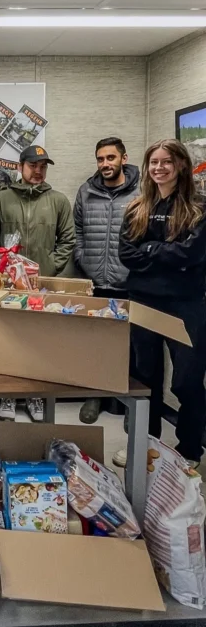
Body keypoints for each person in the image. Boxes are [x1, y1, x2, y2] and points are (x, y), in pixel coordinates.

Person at [117, 139, 206, 469]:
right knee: (143, 378)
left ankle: (189, 449)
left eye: (166, 161)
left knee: (186, 380)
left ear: (181, 164)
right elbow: (126, 254)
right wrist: (165, 253)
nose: (158, 168)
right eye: (153, 162)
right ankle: (144, 444)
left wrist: (150, 251)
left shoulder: (199, 208)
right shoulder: (137, 207)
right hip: (143, 303)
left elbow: (191, 254)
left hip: (186, 305)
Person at [0, 145, 75, 423]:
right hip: (8, 285)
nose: (38, 171)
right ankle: (8, 394)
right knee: (8, 340)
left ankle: (36, 396)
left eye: (43, 166)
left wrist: (47, 268)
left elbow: (68, 241)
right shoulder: (1, 199)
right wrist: (5, 270)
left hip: (41, 285)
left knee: (39, 341)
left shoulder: (58, 201)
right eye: (33, 165)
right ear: (20, 166)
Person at [74, 137, 140, 425]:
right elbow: (76, 229)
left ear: (123, 159)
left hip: (130, 281)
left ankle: (131, 403)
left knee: (134, 346)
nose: (105, 164)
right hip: (95, 281)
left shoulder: (142, 191)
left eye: (111, 158)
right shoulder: (86, 191)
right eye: (100, 159)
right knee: (95, 343)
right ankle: (95, 395)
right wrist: (83, 258)